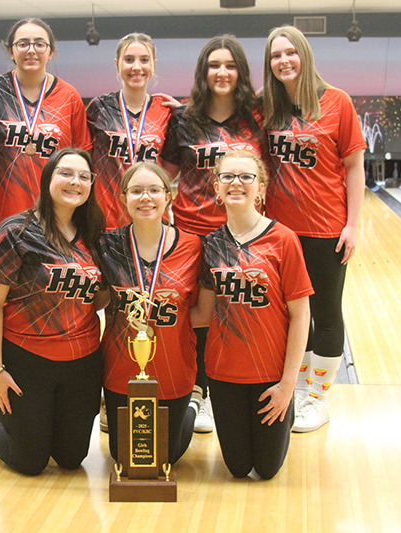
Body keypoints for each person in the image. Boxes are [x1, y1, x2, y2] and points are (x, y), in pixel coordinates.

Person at [0, 148, 106, 476]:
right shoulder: (15, 232)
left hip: (82, 362)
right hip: (27, 359)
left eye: (83, 176)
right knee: (29, 462)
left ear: (91, 185)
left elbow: (99, 298)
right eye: (65, 173)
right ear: (48, 178)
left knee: (71, 458)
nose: (75, 181)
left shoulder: (95, 234)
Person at [261, 25, 366, 432]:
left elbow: (355, 167)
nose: (284, 61)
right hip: (278, 234)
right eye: (275, 55)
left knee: (324, 313)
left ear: (304, 55)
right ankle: (295, 389)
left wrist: (352, 226)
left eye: (290, 53)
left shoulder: (336, 102)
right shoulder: (266, 108)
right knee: (288, 316)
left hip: (325, 230)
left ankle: (317, 398)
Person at [160, 35, 261, 433]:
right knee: (197, 315)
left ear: (241, 72)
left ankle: (233, 389)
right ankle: (197, 392)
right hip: (192, 232)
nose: (222, 73)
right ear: (203, 73)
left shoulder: (256, 118)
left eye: (230, 65)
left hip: (241, 234)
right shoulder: (184, 119)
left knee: (237, 312)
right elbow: (166, 173)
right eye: (214, 65)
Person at [191, 150, 312, 479]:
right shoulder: (211, 245)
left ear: (261, 188)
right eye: (227, 176)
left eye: (246, 177)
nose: (236, 183)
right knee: (239, 468)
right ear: (217, 188)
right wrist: (148, 316)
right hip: (223, 373)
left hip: (271, 375)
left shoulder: (284, 240)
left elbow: (301, 316)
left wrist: (288, 385)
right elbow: (202, 314)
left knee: (268, 469)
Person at [98, 162, 202, 465]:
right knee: (126, 458)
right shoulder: (107, 245)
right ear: (124, 198)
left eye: (154, 190)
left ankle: (192, 405)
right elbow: (98, 302)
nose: (146, 198)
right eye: (137, 191)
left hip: (174, 369)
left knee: (166, 458)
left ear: (168, 196)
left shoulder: (193, 246)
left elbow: (201, 314)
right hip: (121, 369)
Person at [0, 17, 91, 242]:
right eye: (23, 43)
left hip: (56, 215)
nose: (31, 50)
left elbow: (82, 155)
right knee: (1, 279)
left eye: (39, 44)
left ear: (51, 51)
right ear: (10, 50)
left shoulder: (69, 96)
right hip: (2, 214)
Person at [87, 33, 172, 230]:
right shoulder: (99, 108)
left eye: (144, 60)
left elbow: (170, 170)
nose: (136, 67)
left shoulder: (165, 111)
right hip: (106, 221)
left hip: (153, 221)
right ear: (117, 64)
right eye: (128, 60)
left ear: (153, 64)